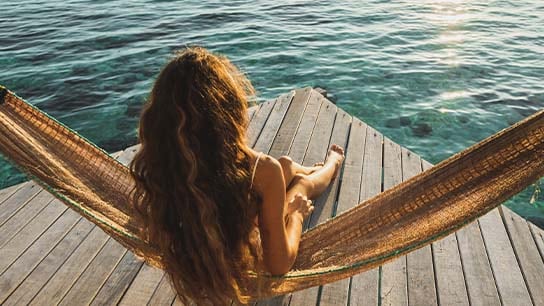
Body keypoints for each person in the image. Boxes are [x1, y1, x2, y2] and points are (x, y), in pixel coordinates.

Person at [129, 46, 345, 305]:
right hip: (241, 236)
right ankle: (330, 165)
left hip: (237, 206)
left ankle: (303, 168)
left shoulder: (160, 168)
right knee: (301, 186)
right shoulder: (261, 170)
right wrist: (297, 213)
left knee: (284, 166)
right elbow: (279, 265)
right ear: (227, 113)